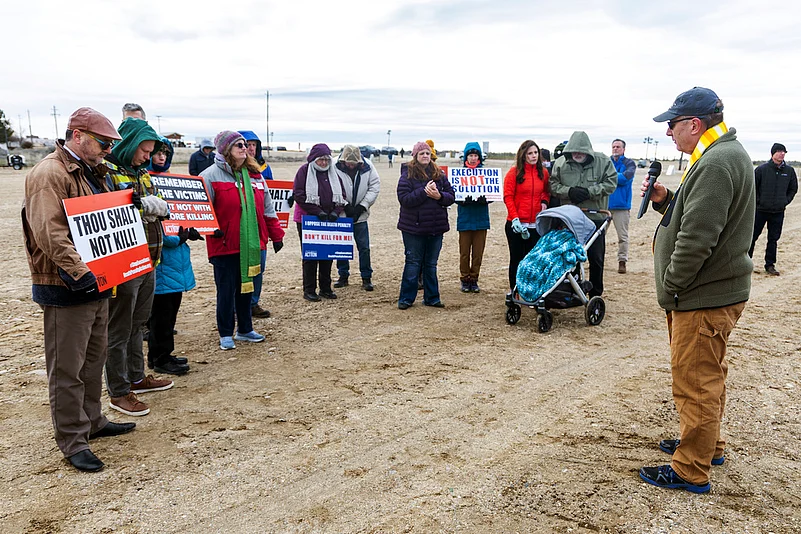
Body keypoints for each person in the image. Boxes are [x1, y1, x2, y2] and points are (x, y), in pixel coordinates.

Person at [639, 87, 755, 494]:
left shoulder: (715, 162)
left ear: (694, 124)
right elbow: (699, 213)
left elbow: (697, 238)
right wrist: (666, 199)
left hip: (702, 296)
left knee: (695, 381)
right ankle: (707, 445)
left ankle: (691, 467)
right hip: (713, 292)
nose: (669, 132)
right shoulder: (720, 155)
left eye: (672, 125)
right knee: (710, 375)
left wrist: (671, 285)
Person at [22, 107, 134, 472]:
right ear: (77, 135)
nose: (107, 150)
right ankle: (72, 439)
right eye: (102, 142)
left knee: (92, 360)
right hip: (67, 286)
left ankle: (94, 421)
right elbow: (50, 232)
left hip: (98, 283)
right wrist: (80, 272)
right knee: (67, 368)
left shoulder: (92, 172)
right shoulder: (49, 174)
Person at [104, 118, 174, 417]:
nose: (148, 156)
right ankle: (119, 391)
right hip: (123, 263)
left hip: (149, 258)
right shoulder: (107, 173)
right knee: (118, 329)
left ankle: (136, 376)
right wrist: (139, 207)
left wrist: (158, 207)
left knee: (137, 323)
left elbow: (158, 207)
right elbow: (106, 211)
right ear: (130, 145)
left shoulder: (143, 174)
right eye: (144, 151)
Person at [200, 131, 270, 350]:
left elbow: (266, 207)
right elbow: (203, 210)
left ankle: (245, 329)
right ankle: (225, 332)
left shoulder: (254, 174)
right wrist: (213, 229)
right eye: (238, 145)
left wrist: (274, 235)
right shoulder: (209, 176)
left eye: (245, 144)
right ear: (225, 150)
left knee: (246, 287)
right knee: (226, 289)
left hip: (249, 243)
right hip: (224, 245)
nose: (244, 148)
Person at [145, 138, 198, 376]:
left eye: (166, 153)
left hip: (176, 260)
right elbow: (158, 227)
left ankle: (163, 354)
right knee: (161, 316)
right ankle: (159, 358)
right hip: (163, 261)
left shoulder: (172, 182)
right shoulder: (148, 183)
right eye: (157, 153)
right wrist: (180, 237)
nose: (162, 157)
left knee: (169, 314)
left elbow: (183, 215)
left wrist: (194, 228)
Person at [548, 131, 616, 297]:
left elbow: (611, 183)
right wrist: (569, 191)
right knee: (571, 256)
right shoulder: (560, 163)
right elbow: (552, 185)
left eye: (581, 151)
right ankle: (573, 289)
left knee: (596, 258)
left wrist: (589, 192)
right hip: (570, 219)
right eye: (573, 151)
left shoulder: (604, 162)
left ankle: (595, 294)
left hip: (595, 218)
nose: (577, 154)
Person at [396, 141, 455, 309]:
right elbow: (404, 199)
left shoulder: (440, 174)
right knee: (413, 263)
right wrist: (423, 192)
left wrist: (439, 196)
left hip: (436, 228)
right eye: (421, 153)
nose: (425, 156)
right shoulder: (407, 175)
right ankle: (406, 298)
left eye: (428, 153)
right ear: (415, 156)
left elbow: (451, 195)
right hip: (413, 228)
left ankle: (432, 297)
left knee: (431, 264)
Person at [238, 130, 284, 318]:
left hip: (260, 228)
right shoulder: (227, 170)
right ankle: (238, 304)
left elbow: (270, 199)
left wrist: (276, 233)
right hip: (239, 229)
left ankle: (253, 302)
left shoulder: (263, 170)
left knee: (259, 267)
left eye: (253, 145)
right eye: (245, 144)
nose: (250, 148)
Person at [292, 143, 346, 301]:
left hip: (328, 219)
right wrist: (317, 211)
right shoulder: (304, 171)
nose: (323, 163)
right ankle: (309, 289)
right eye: (320, 160)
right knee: (311, 255)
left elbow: (341, 195)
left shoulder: (333, 172)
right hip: (308, 219)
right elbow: (299, 194)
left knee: (327, 254)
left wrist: (335, 212)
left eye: (326, 160)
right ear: (313, 159)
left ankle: (325, 288)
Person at [503, 140, 550, 292]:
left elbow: (546, 191)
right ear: (523, 155)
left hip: (535, 225)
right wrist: (515, 217)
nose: (533, 156)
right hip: (516, 224)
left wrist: (544, 201)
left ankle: (531, 291)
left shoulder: (543, 172)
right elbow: (508, 196)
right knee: (516, 259)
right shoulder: (514, 172)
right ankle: (514, 290)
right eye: (530, 153)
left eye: (536, 152)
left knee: (533, 261)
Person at [334, 145, 381, 291]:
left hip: (361, 216)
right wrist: (345, 206)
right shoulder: (334, 166)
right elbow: (333, 187)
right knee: (341, 247)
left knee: (364, 248)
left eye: (354, 163)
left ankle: (366, 277)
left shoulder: (368, 166)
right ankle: (343, 276)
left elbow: (374, 186)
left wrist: (362, 206)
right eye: (348, 163)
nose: (351, 165)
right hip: (342, 214)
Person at [748, 142, 797, 276]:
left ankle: (770, 265)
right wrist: (758, 202)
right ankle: (746, 263)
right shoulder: (761, 169)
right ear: (773, 153)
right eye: (779, 151)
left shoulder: (789, 171)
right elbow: (753, 187)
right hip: (760, 211)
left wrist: (785, 201)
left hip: (778, 212)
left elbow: (793, 189)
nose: (782, 154)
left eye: (784, 152)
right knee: (752, 237)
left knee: (773, 239)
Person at [456, 142, 491, 293]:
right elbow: (454, 193)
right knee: (464, 252)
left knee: (478, 252)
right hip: (465, 218)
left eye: (475, 155)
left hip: (481, 218)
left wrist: (486, 199)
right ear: (466, 157)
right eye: (470, 155)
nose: (472, 158)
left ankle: (474, 278)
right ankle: (465, 278)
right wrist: (462, 200)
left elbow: (492, 192)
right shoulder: (459, 174)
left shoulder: (486, 174)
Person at [608, 139, 637, 274]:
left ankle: (622, 261)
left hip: (622, 207)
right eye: (613, 146)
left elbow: (625, 179)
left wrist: (609, 177)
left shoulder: (629, 163)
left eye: (618, 147)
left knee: (622, 237)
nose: (615, 149)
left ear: (624, 149)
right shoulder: (607, 162)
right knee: (598, 236)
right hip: (605, 206)